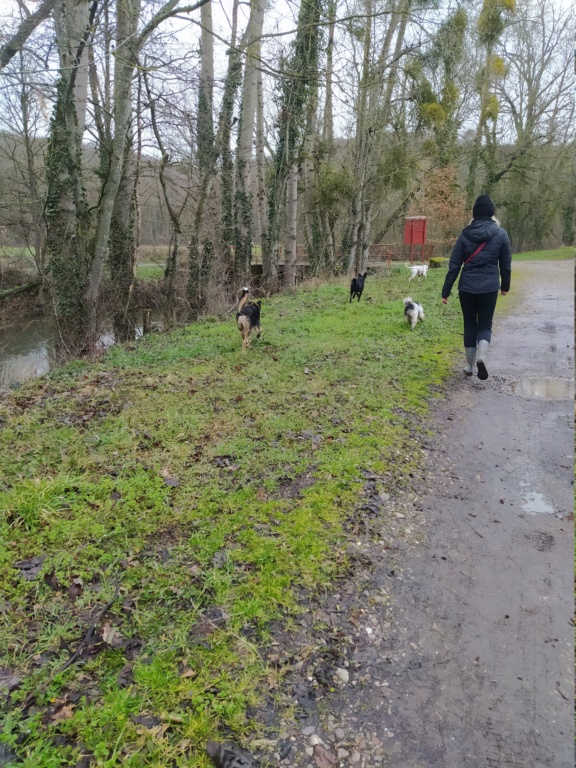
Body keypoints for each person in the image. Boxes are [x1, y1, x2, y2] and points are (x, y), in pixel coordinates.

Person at [441, 194, 511, 380]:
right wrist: (505, 286)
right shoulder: (501, 234)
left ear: (474, 214)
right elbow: (505, 265)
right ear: (492, 214)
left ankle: (469, 366)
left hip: (467, 288)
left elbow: (454, 265)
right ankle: (482, 357)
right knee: (485, 324)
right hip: (489, 287)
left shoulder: (465, 235)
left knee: (470, 324)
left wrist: (445, 291)